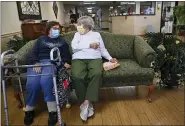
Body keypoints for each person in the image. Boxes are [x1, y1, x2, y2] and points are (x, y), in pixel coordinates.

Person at [24, 21, 71, 126]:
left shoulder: (62, 42)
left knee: (46, 81)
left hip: (52, 63)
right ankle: (29, 110)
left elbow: (66, 56)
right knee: (33, 83)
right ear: (49, 29)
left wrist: (66, 62)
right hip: (37, 63)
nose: (57, 30)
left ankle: (53, 111)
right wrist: (35, 63)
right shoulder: (41, 40)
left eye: (58, 28)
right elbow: (33, 53)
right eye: (55, 28)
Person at [71, 16, 118, 121]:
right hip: (78, 59)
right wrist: (89, 45)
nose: (78, 27)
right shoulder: (77, 34)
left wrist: (110, 58)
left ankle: (86, 103)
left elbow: (102, 49)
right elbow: (74, 46)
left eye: (80, 25)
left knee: (96, 74)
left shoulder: (97, 34)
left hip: (95, 58)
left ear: (88, 27)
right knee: (77, 75)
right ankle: (87, 104)